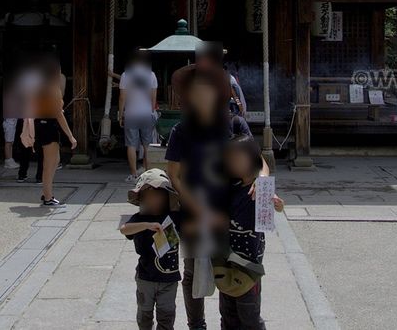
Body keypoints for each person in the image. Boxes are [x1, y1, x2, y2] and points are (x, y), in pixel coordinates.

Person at [165, 67, 263, 329]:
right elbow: (173, 174)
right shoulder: (181, 130)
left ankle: (232, 322)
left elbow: (258, 160)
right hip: (196, 210)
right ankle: (197, 325)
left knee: (237, 268)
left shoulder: (234, 123)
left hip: (234, 210)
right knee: (193, 272)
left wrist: (262, 179)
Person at [217, 135, 284, 329]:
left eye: (238, 159)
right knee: (227, 312)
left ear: (252, 159)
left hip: (249, 266)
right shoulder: (231, 186)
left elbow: (277, 205)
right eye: (231, 160)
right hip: (227, 259)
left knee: (250, 314)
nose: (233, 164)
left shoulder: (260, 188)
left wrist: (277, 204)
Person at [119, 169, 183, 330]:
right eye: (150, 196)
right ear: (141, 198)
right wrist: (147, 226)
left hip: (169, 278)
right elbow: (124, 229)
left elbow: (191, 225)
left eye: (159, 196)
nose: (155, 201)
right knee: (144, 315)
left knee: (167, 315)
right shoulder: (139, 218)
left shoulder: (174, 217)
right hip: (145, 277)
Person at [22, 57, 77, 206]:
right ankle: (47, 196)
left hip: (40, 124)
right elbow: (59, 114)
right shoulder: (53, 88)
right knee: (50, 163)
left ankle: (47, 193)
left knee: (54, 160)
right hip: (49, 126)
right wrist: (71, 136)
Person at [119, 50, 159, 182]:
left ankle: (134, 174)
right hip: (147, 113)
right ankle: (148, 175)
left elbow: (122, 98)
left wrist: (121, 114)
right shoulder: (151, 75)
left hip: (131, 113)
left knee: (131, 145)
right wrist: (152, 111)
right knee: (147, 145)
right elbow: (153, 97)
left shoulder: (126, 75)